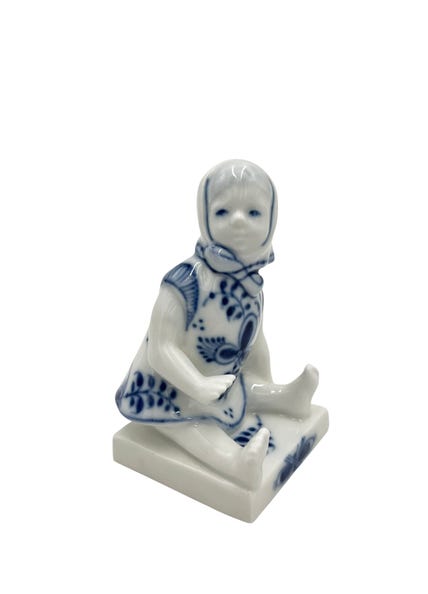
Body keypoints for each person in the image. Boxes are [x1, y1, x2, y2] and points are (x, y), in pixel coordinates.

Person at [116, 160, 318, 489]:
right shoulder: (186, 280)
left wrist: (262, 381)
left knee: (239, 391)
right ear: (204, 217)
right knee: (190, 425)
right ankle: (235, 463)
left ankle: (284, 399)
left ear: (272, 220)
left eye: (254, 212)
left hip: (217, 380)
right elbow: (161, 348)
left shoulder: (250, 283)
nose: (238, 220)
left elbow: (255, 339)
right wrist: (196, 385)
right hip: (165, 389)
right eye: (223, 211)